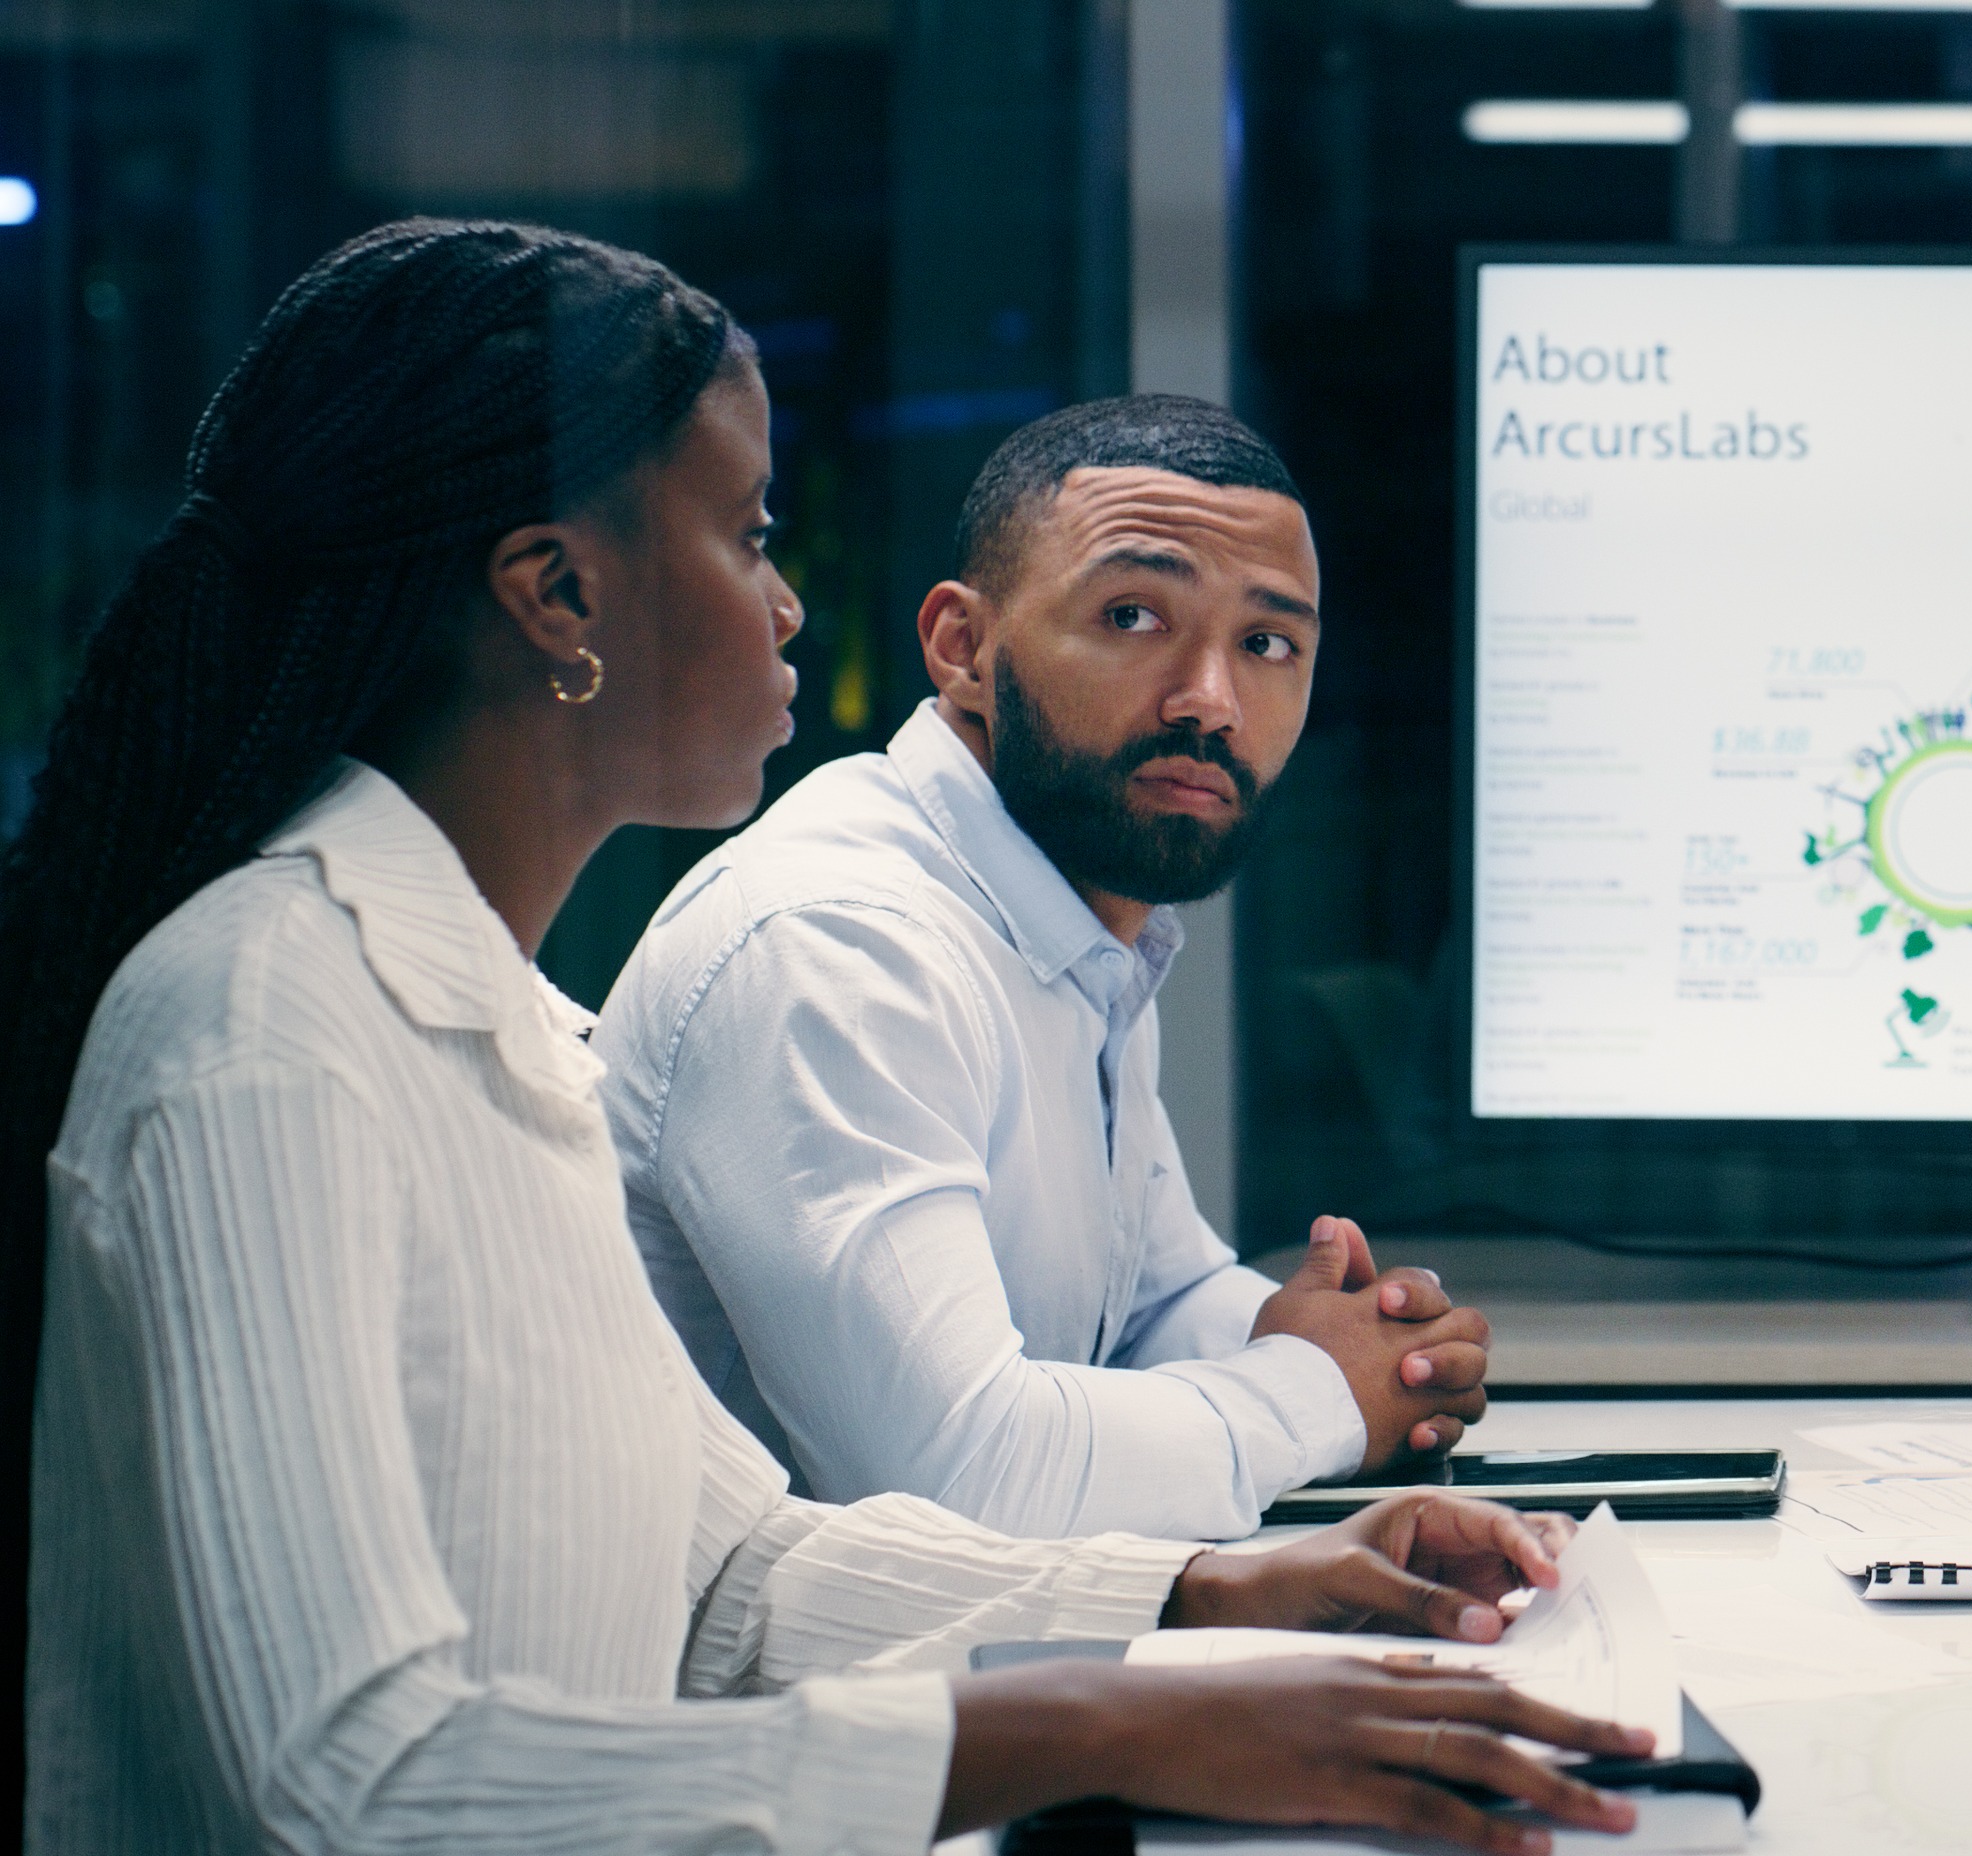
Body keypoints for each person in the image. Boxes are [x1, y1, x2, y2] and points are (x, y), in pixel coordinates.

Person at [5, 218, 1646, 1852]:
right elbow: (360, 1780)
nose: (789, 608)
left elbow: (731, 1571)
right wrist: (1102, 1714)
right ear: (560, 597)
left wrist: (1212, 1590)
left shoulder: (506, 1025)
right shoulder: (270, 1033)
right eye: (748, 533)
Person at [596, 396, 1478, 1542]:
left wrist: (1362, 1346)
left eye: (1268, 643)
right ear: (963, 647)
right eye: (1130, 615)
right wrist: (1314, 1391)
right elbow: (955, 1477)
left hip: (970, 1676)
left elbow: (1151, 1302)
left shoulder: (1079, 915)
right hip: (742, 1703)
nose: (1209, 699)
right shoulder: (837, 944)